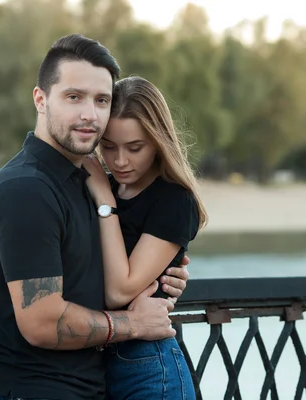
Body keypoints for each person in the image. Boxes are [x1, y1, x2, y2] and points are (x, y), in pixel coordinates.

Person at [0, 34, 192, 400]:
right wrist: (133, 324)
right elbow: (42, 322)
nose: (90, 114)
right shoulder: (28, 188)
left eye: (101, 100)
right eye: (74, 97)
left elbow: (115, 268)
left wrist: (167, 275)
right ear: (41, 99)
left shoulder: (87, 184)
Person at [82, 76, 208, 400]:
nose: (120, 161)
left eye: (134, 148)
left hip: (148, 370)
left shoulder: (173, 199)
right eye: (108, 146)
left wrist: (106, 203)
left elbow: (119, 291)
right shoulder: (100, 187)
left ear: (158, 141)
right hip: (87, 368)